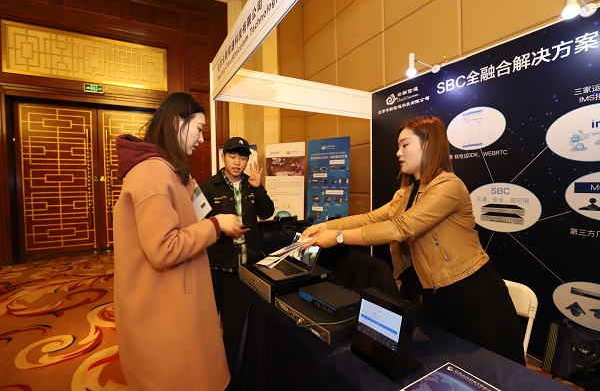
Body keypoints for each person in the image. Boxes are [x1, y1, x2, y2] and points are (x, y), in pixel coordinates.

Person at [301, 115, 526, 365]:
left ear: (428, 145)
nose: (398, 153)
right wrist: (324, 226)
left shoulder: (449, 185)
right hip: (435, 295)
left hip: (473, 292)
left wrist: (338, 237)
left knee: (503, 368)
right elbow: (369, 218)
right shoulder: (407, 193)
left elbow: (402, 227)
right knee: (448, 368)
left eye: (405, 145)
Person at [113, 92, 246, 390]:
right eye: (199, 129)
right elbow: (164, 248)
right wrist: (216, 225)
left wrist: (214, 220)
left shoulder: (168, 169)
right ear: (177, 123)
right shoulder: (152, 172)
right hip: (163, 304)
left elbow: (193, 214)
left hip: (174, 294)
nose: (202, 139)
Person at [200, 136, 275, 312]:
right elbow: (200, 224)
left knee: (242, 313)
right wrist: (222, 231)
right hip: (219, 265)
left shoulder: (251, 184)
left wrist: (258, 188)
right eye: (232, 156)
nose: (237, 162)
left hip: (249, 264)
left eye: (242, 158)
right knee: (214, 313)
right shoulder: (208, 186)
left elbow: (267, 213)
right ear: (223, 157)